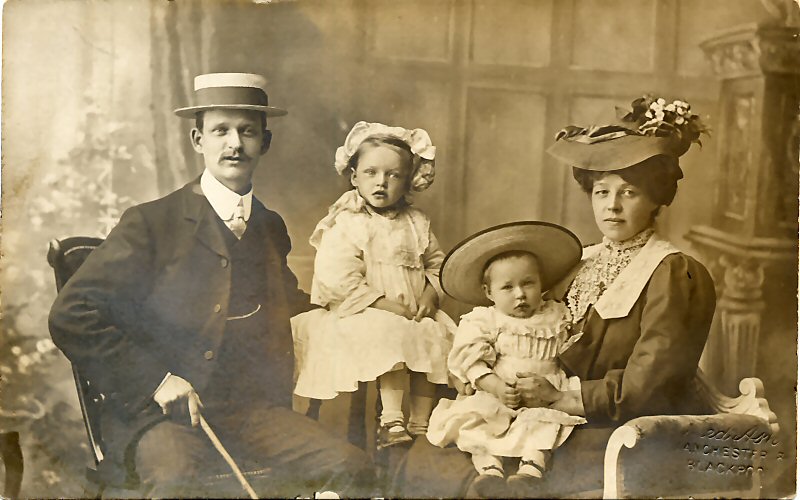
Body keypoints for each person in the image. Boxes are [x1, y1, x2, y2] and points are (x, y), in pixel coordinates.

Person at [48, 73, 374, 498]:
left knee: (351, 468)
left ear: (265, 143)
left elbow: (285, 307)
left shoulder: (269, 225)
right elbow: (72, 314)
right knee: (177, 480)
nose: (234, 144)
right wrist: (157, 380)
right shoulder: (151, 223)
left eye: (247, 132)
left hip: (250, 413)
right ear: (198, 139)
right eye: (221, 131)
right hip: (158, 415)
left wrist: (360, 313)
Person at [392, 95, 717, 498]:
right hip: (542, 407)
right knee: (433, 452)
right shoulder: (582, 260)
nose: (612, 206)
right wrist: (490, 381)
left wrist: (561, 397)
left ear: (655, 200)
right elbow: (521, 325)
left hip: (624, 426)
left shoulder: (673, 271)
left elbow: (652, 384)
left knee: (512, 479)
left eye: (629, 193)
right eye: (602, 192)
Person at [291, 121, 456, 449]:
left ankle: (420, 424)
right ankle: (391, 419)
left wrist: (430, 294)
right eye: (371, 173)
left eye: (393, 175)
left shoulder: (417, 223)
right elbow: (336, 274)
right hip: (362, 311)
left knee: (433, 337)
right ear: (354, 177)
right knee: (389, 335)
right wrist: (383, 303)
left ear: (407, 181)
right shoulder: (347, 221)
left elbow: (438, 265)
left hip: (412, 311)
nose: (381, 182)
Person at [426, 222, 587, 498]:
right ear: (489, 293)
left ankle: (530, 469)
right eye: (507, 287)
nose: (520, 294)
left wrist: (556, 392)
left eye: (528, 283)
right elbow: (471, 362)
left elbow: (573, 350)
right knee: (476, 420)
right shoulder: (486, 320)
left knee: (545, 422)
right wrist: (496, 387)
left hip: (544, 391)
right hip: (499, 391)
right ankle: (489, 469)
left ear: (541, 284)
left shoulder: (556, 315)